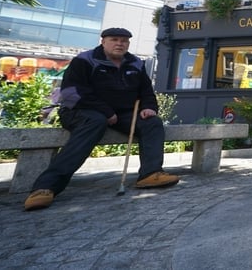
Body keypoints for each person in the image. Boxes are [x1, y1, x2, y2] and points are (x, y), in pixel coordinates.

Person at [24, 27, 179, 211]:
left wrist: (148, 107)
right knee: (95, 121)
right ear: (103, 41)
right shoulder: (84, 60)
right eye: (114, 40)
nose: (119, 44)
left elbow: (146, 91)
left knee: (152, 123)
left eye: (124, 41)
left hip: (121, 114)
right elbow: (71, 93)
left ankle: (150, 174)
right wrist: (106, 112)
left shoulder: (135, 63)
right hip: (80, 110)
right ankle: (45, 186)